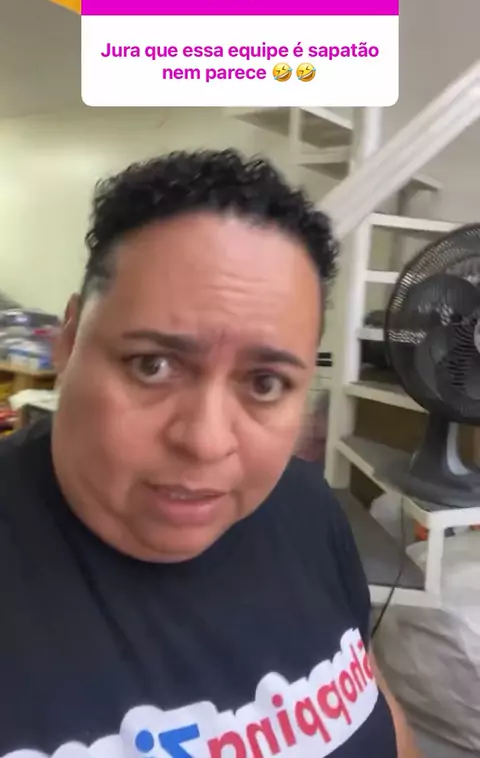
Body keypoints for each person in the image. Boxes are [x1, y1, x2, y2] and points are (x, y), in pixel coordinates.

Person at [0, 149, 422, 757]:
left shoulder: (307, 507)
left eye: (265, 383)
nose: (205, 441)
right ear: (67, 339)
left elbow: (374, 705)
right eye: (152, 365)